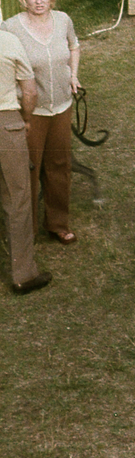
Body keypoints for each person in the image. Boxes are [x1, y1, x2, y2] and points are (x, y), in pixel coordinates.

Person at [3, 0, 82, 245]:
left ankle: (58, 223)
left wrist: (73, 75)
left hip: (61, 106)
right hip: (29, 112)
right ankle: (28, 230)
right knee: (29, 170)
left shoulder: (63, 21)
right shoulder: (11, 27)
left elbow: (74, 46)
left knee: (59, 165)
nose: (38, 1)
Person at [2, 27, 49, 295]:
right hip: (6, 124)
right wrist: (27, 118)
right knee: (17, 197)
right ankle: (23, 274)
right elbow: (29, 92)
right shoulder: (9, 41)